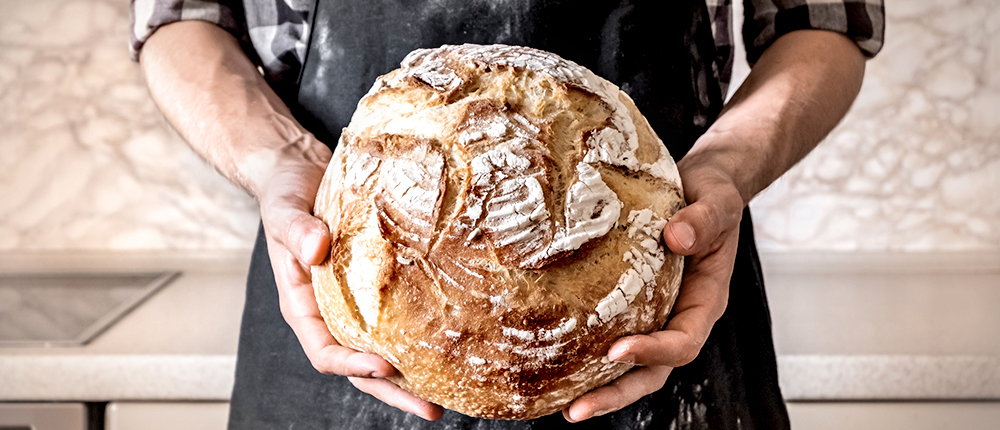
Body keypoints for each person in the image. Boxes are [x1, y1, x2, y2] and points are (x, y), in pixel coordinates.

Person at [130, 1, 883, 428]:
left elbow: (826, 20)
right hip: (332, 291)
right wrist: (279, 160)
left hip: (672, 307)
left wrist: (722, 170)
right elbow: (179, 19)